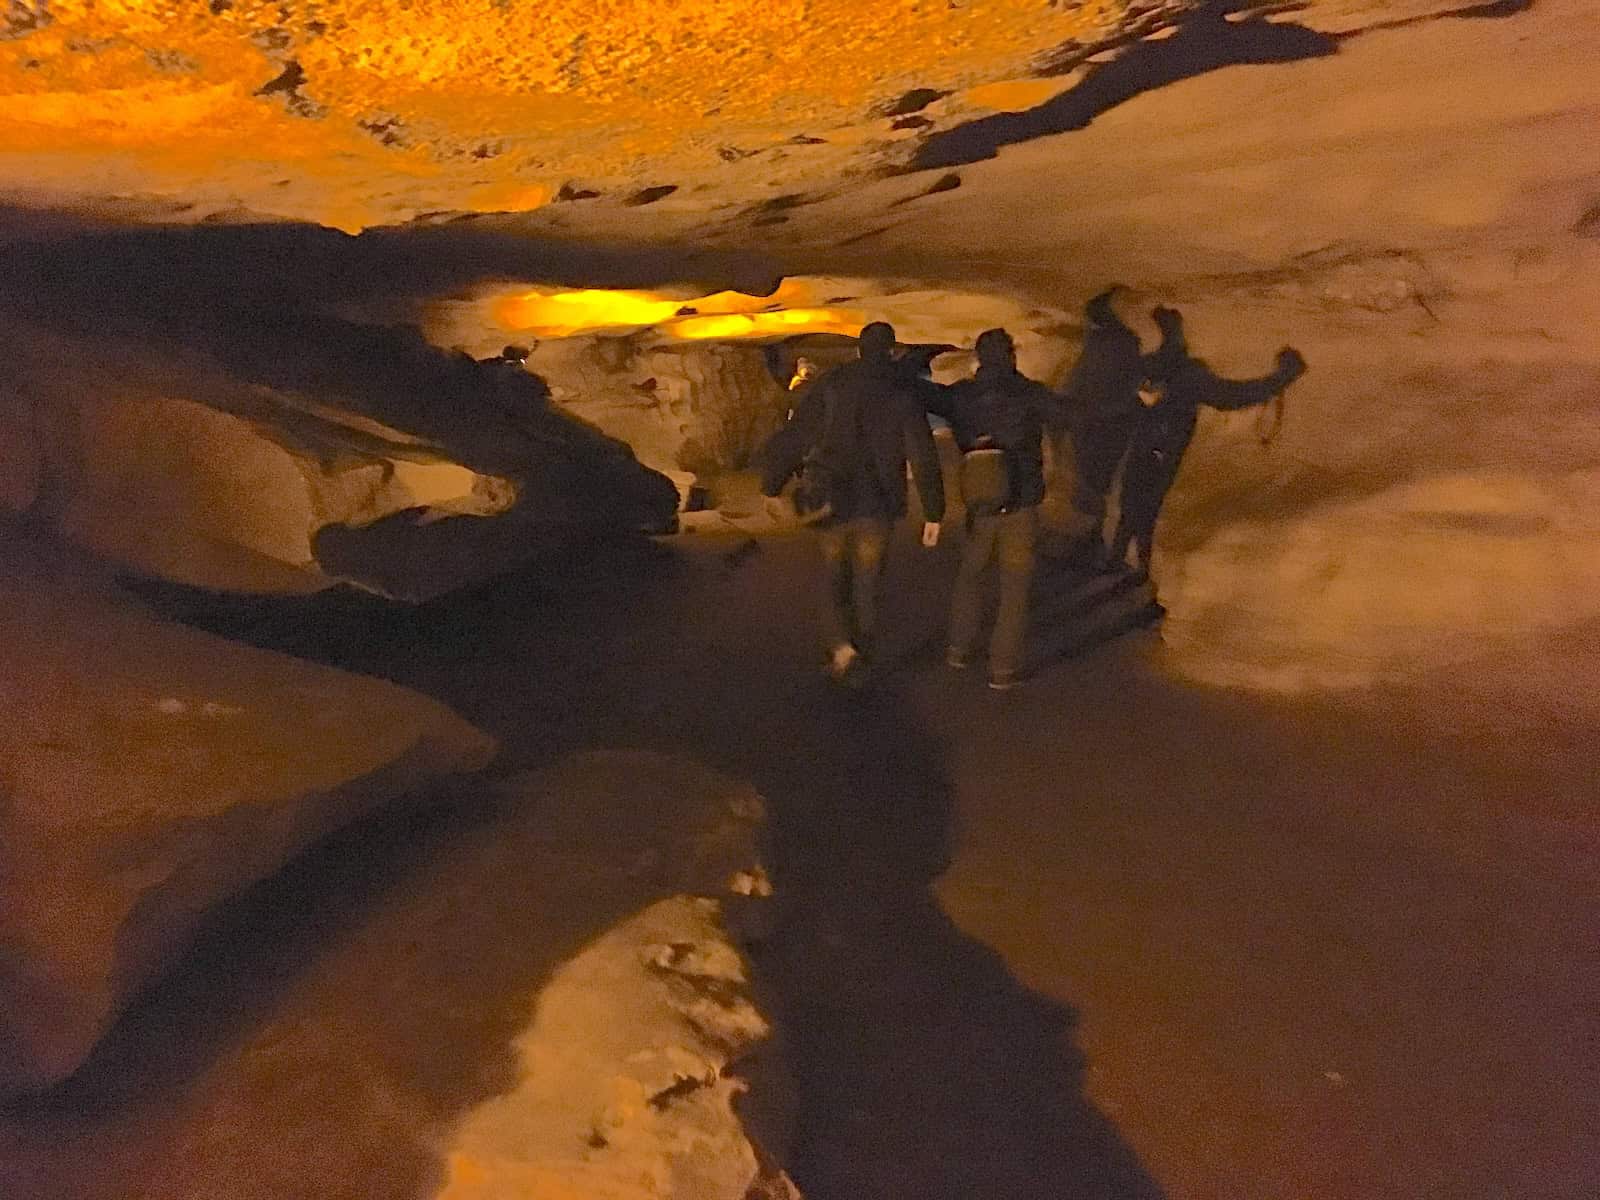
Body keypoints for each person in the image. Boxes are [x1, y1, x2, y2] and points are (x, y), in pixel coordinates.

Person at [757, 321, 945, 684]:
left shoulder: (832, 386)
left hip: (833, 497)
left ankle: (842, 647)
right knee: (868, 584)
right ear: (892, 352)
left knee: (834, 577)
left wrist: (771, 484)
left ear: (859, 350)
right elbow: (922, 453)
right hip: (878, 504)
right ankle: (863, 654)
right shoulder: (900, 393)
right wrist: (934, 511)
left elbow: (797, 435)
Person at [1109, 306, 1306, 578]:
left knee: (1139, 506)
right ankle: (1126, 564)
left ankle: (1128, 565)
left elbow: (1232, 395)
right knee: (1137, 505)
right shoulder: (1167, 374)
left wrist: (1281, 378)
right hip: (1155, 450)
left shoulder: (1185, 379)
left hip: (1157, 451)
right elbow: (1230, 395)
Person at [928, 327, 1067, 691]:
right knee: (1015, 585)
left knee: (970, 576)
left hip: (980, 502)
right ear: (1011, 355)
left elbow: (925, 397)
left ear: (979, 357)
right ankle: (1002, 669)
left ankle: (958, 649)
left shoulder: (961, 396)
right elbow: (1067, 416)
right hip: (1021, 502)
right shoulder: (1030, 394)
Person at [1060, 287, 1146, 561]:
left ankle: (1091, 538)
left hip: (1094, 422)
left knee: (1091, 479)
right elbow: (1133, 381)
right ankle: (1093, 537)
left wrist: (1067, 411)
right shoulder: (1126, 343)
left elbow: (1078, 382)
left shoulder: (1097, 345)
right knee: (1098, 480)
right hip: (1113, 423)